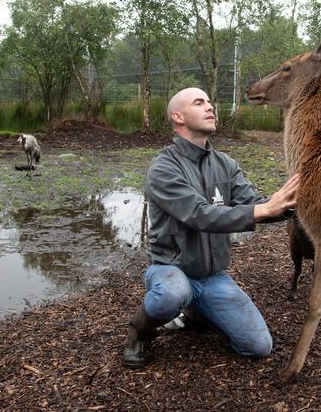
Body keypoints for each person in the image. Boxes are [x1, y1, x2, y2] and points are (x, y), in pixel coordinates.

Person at [122, 87, 300, 368]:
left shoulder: (225, 164)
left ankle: (196, 312)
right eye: (199, 102)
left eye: (209, 101)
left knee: (258, 346)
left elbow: (256, 204)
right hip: (171, 270)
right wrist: (262, 209)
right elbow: (199, 214)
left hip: (212, 277)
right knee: (171, 293)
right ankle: (140, 333)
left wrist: (293, 204)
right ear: (178, 116)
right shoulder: (163, 168)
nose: (210, 107)